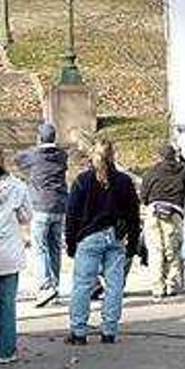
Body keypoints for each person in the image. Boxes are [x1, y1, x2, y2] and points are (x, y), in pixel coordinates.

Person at [65, 138, 141, 345]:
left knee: (82, 284)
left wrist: (71, 243)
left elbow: (72, 215)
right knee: (115, 285)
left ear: (92, 155)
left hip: (89, 237)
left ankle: (78, 331)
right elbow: (133, 216)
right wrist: (133, 244)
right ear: (113, 155)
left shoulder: (82, 181)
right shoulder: (124, 181)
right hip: (115, 237)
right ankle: (109, 331)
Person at [0, 148, 31, 365]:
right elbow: (26, 216)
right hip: (9, 251)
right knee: (7, 304)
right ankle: (6, 349)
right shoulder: (18, 187)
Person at [14, 122, 68, 307]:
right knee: (55, 248)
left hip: (40, 206)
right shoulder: (62, 155)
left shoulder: (34, 156)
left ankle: (45, 287)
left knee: (39, 247)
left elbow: (18, 160)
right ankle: (55, 287)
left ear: (39, 138)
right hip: (60, 206)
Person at [140, 144, 185, 299]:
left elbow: (143, 197)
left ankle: (157, 288)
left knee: (155, 251)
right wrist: (181, 156)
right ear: (173, 156)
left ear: (159, 156)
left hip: (154, 212)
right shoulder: (181, 170)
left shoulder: (150, 173)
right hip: (174, 213)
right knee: (173, 250)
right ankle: (171, 285)